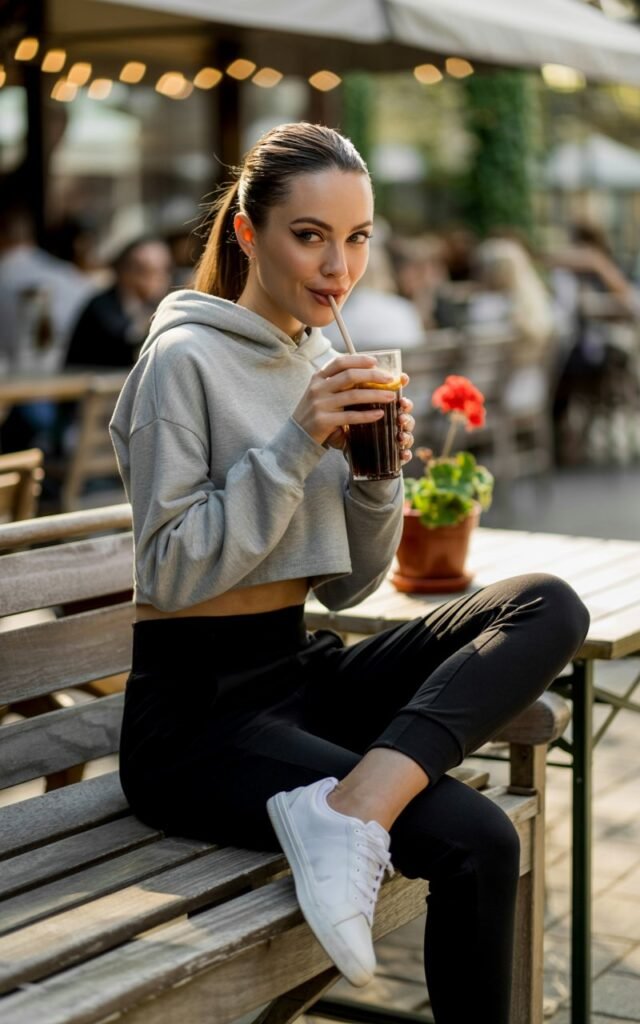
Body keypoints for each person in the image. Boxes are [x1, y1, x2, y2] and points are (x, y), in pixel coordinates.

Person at [108, 123, 590, 1024]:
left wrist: (377, 476)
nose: (340, 265)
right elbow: (169, 571)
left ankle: (354, 808)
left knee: (546, 605)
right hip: (196, 721)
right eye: (311, 234)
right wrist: (297, 442)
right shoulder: (183, 360)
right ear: (249, 234)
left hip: (295, 673)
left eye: (359, 237)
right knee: (476, 836)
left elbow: (351, 587)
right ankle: (354, 814)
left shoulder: (322, 359)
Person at [64, 235, 173, 368]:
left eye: (165, 270)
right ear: (124, 271)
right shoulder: (101, 305)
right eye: (149, 271)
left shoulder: (155, 303)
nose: (161, 279)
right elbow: (126, 336)